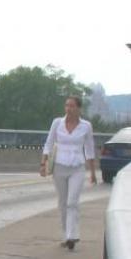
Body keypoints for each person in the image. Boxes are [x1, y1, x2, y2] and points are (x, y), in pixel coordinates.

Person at [40, 96, 97, 250]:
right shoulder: (57, 123)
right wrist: (43, 162)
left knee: (72, 202)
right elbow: (49, 142)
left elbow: (90, 149)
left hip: (77, 167)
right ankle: (66, 235)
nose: (68, 109)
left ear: (79, 108)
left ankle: (73, 235)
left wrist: (93, 172)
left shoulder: (86, 126)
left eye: (72, 106)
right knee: (63, 202)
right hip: (59, 166)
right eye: (66, 106)